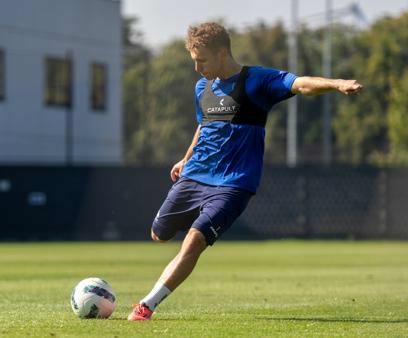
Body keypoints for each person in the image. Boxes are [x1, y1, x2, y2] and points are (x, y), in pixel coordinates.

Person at [127, 22, 363, 321]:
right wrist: (185, 159)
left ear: (222, 52)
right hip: (195, 175)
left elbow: (301, 83)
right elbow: (204, 126)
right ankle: (189, 225)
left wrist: (337, 83)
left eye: (202, 61)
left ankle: (146, 306)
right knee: (159, 235)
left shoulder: (258, 80)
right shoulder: (203, 87)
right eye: (194, 61)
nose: (197, 69)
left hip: (233, 184)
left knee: (194, 240)